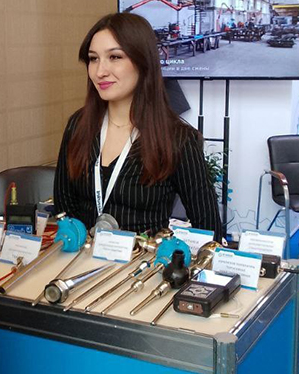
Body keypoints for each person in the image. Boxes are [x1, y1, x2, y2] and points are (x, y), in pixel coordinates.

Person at [54, 12, 222, 237]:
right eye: (94, 59)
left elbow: (209, 230)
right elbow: (64, 209)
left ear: (143, 62)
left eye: (115, 57)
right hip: (82, 257)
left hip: (144, 258)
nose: (100, 71)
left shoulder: (178, 138)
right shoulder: (78, 125)